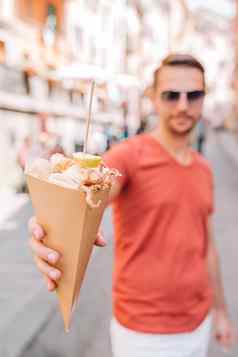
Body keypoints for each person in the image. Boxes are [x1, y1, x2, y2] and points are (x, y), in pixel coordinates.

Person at [28, 54, 235, 357]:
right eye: (171, 95)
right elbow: (84, 194)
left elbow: (207, 244)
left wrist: (220, 311)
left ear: (204, 98)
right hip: (143, 335)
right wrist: (49, 229)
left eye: (193, 95)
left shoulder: (203, 168)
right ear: (153, 97)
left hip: (198, 324)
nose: (182, 105)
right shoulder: (127, 157)